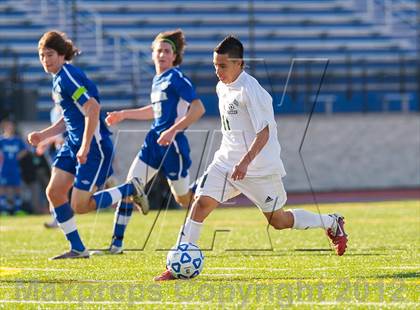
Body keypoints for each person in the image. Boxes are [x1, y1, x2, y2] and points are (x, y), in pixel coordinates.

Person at [154, 36, 348, 281]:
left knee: (278, 220)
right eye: (215, 65)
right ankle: (177, 266)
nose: (217, 71)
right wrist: (234, 160)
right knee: (200, 204)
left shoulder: (252, 91)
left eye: (223, 66)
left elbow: (264, 132)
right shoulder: (221, 86)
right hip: (225, 162)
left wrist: (245, 162)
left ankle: (331, 222)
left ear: (240, 64)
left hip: (258, 168)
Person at [27, 31, 147, 260]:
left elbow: (92, 108)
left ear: (62, 55)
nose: (45, 60)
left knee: (80, 205)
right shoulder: (59, 78)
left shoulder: (68, 76)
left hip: (94, 146)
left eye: (50, 54)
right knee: (54, 192)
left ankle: (130, 189)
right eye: (42, 55)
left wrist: (85, 145)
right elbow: (70, 117)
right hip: (73, 144)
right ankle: (78, 249)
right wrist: (44, 135)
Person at [102, 29, 205, 254]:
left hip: (173, 146)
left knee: (184, 199)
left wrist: (172, 131)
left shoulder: (176, 77)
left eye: (166, 51)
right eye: (158, 50)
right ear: (152, 54)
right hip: (153, 143)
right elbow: (155, 111)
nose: (161, 54)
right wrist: (124, 114)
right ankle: (116, 245)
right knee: (130, 186)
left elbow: (198, 108)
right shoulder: (158, 80)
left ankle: (207, 186)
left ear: (174, 56)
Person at [0, 120, 28, 215]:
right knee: (3, 188)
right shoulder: (2, 140)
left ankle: (17, 208)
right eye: (8, 126)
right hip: (4, 168)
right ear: (4, 127)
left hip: (14, 167)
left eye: (11, 126)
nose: (10, 128)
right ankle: (4, 209)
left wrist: (18, 156)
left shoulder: (17, 140)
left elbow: (25, 150)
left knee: (17, 187)